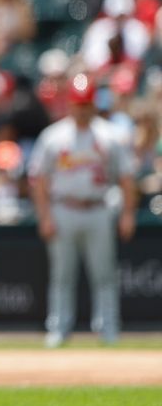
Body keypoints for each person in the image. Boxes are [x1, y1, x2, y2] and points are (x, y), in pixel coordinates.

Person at [29, 74, 136, 348]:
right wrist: (45, 217)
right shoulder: (54, 136)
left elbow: (126, 178)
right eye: (78, 103)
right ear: (70, 104)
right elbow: (39, 180)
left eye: (86, 103)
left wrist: (127, 214)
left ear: (93, 103)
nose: (82, 109)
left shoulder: (110, 134)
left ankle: (109, 328)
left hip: (99, 208)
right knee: (62, 274)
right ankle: (59, 328)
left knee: (104, 273)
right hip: (64, 207)